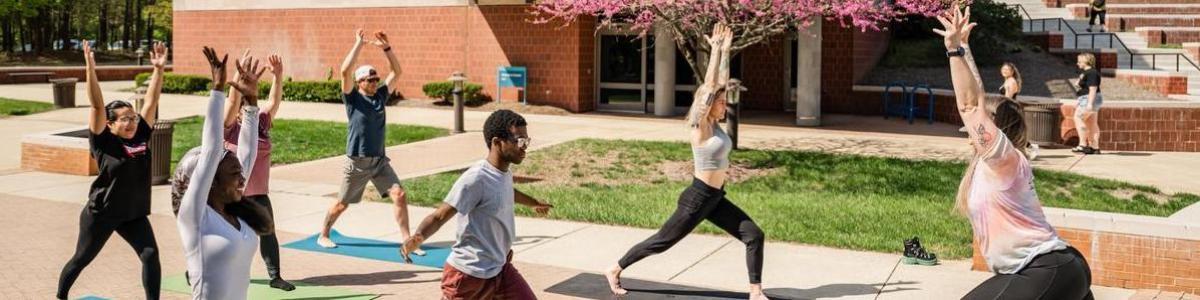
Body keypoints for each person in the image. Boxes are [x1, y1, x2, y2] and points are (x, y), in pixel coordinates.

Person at [934, 5, 1094, 299]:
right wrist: (965, 48)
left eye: (985, 122)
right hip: (1048, 270)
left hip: (1047, 269)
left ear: (997, 129)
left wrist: (953, 51)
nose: (969, 128)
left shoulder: (1004, 159)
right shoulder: (991, 162)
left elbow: (970, 107)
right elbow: (978, 99)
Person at [604, 23, 768, 300]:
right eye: (720, 101)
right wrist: (714, 51)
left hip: (715, 198)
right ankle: (615, 268)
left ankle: (755, 292)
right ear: (706, 106)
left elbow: (719, 84)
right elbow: (709, 88)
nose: (724, 103)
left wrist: (726, 51)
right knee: (662, 242)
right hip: (697, 198)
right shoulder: (700, 128)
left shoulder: (715, 126)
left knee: (754, 235)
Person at [400, 109, 554, 299]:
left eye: (526, 141)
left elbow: (507, 192)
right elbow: (439, 216)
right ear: (497, 142)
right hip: (468, 275)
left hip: (500, 269)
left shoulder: (504, 173)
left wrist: (534, 203)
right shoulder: (475, 179)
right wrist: (417, 237)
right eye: (519, 141)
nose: (524, 147)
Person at [56, 40, 167, 300]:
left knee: (151, 255)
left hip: (133, 213)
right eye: (125, 119)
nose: (131, 122)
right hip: (102, 213)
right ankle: (61, 296)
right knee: (82, 259)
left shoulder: (140, 135)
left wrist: (158, 70)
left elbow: (151, 102)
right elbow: (96, 105)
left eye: (133, 117)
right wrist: (90, 69)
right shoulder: (104, 141)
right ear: (110, 124)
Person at [171, 47, 275, 299]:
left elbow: (247, 155)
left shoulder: (237, 213)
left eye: (240, 173)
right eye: (234, 174)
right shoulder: (196, 217)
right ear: (210, 182)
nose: (243, 179)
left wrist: (251, 103)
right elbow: (210, 153)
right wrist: (217, 90)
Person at [317, 29, 422, 257]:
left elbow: (398, 71)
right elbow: (345, 71)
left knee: (399, 194)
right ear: (359, 82)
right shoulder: (352, 99)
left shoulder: (380, 96)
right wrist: (358, 44)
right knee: (341, 204)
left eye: (376, 79)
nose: (375, 82)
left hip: (379, 161)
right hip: (357, 162)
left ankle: (407, 240)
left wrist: (386, 48)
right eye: (370, 80)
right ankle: (324, 233)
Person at [221, 52, 295, 291]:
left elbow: (274, 101)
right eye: (242, 105)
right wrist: (238, 78)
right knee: (224, 236)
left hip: (258, 192)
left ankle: (275, 276)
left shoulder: (261, 121)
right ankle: (196, 268)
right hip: (230, 194)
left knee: (268, 232)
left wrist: (278, 75)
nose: (245, 109)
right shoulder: (229, 128)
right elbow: (232, 102)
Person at [1072, 53, 1103, 155]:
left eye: (1079, 61)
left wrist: (1089, 103)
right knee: (1092, 123)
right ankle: (1094, 147)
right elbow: (1079, 85)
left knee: (1078, 118)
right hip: (1088, 99)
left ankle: (1082, 145)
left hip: (1089, 99)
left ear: (1086, 61)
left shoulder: (1091, 73)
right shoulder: (1087, 72)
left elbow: (1093, 88)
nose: (1077, 63)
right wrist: (1080, 78)